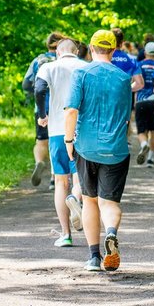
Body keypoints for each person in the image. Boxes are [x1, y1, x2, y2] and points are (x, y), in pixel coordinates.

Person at [64, 30, 132, 272]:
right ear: (114, 51)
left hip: (86, 147)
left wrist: (68, 140)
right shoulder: (124, 78)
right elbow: (126, 117)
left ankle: (93, 257)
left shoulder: (81, 73)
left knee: (90, 201)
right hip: (115, 148)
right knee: (109, 202)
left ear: (91, 48)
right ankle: (111, 232)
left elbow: (71, 110)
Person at [35, 39, 88, 247]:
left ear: (57, 52)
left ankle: (65, 234)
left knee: (60, 182)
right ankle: (75, 198)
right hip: (81, 131)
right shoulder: (85, 67)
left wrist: (42, 114)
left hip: (57, 129)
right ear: (77, 52)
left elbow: (38, 89)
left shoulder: (48, 66)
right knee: (79, 180)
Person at [23, 32, 65, 188]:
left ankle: (39, 162)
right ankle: (55, 178)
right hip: (61, 107)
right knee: (57, 140)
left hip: (41, 107)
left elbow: (26, 84)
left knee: (41, 141)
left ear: (47, 45)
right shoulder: (65, 59)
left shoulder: (38, 60)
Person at [135, 42, 154, 167]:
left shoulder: (139, 64)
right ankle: (150, 160)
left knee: (142, 129)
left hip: (141, 100)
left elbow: (135, 82)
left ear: (145, 52)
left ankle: (143, 144)